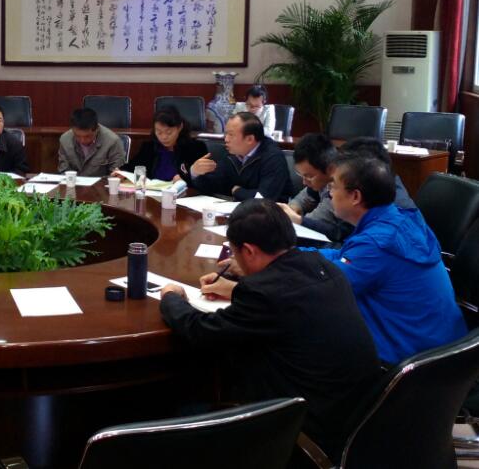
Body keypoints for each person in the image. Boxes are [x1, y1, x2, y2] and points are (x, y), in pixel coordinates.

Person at [159, 199, 380, 459]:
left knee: (180, 413)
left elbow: (200, 331)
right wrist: (242, 282)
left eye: (235, 252)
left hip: (302, 433)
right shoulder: (322, 266)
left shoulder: (263, 294)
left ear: (249, 251)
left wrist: (171, 297)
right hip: (356, 422)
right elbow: (288, 297)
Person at [308, 153, 466, 365]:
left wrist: (282, 262)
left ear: (355, 196)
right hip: (444, 350)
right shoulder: (400, 219)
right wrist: (296, 253)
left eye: (334, 186)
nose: (329, 193)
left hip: (410, 362)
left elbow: (325, 288)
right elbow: (343, 256)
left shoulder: (377, 243)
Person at [280, 136, 417, 244]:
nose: (331, 192)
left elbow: (342, 239)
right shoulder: (371, 197)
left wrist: (299, 221)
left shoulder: (386, 228)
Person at [190, 112, 293, 201]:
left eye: (231, 135)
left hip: (270, 214)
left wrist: (237, 191)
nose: (226, 139)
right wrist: (195, 172)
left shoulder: (273, 157)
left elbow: (264, 198)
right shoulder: (232, 153)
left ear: (250, 139)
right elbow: (213, 184)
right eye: (226, 134)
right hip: (237, 209)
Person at [116, 105, 207, 185]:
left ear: (180, 127)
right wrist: (121, 173)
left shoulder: (196, 148)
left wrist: (188, 176)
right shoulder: (150, 147)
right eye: (159, 132)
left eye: (169, 132)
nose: (164, 137)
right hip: (153, 195)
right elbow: (133, 167)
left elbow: (206, 181)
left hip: (183, 196)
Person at [57, 108, 126, 177]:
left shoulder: (112, 141)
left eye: (87, 136)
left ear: (97, 129)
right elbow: (63, 170)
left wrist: (117, 174)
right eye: (77, 136)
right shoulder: (65, 140)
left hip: (102, 183)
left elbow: (116, 174)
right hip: (73, 182)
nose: (82, 140)